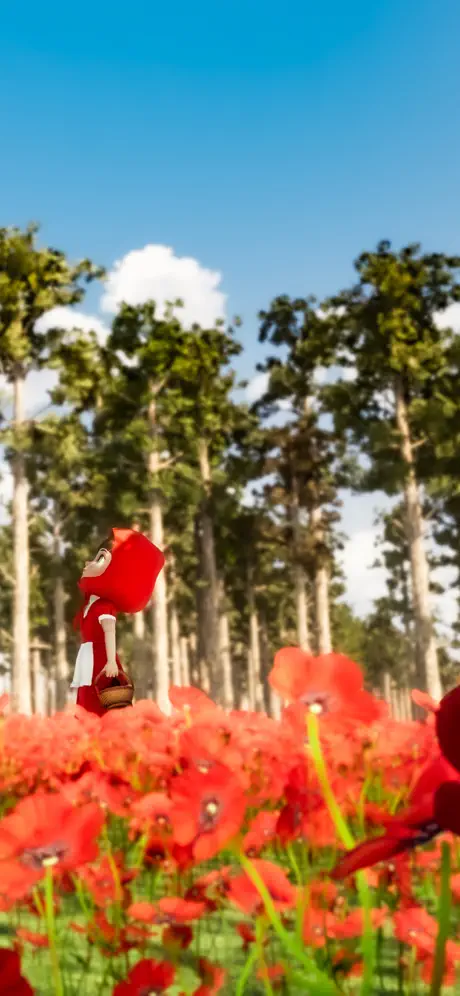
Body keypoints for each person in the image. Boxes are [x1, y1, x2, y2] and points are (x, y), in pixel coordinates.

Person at [70, 527, 165, 715]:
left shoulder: (104, 606)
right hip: (89, 657)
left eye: (100, 559)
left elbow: (109, 631)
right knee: (86, 695)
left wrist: (111, 662)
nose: (89, 563)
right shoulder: (91, 604)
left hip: (101, 659)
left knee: (102, 698)